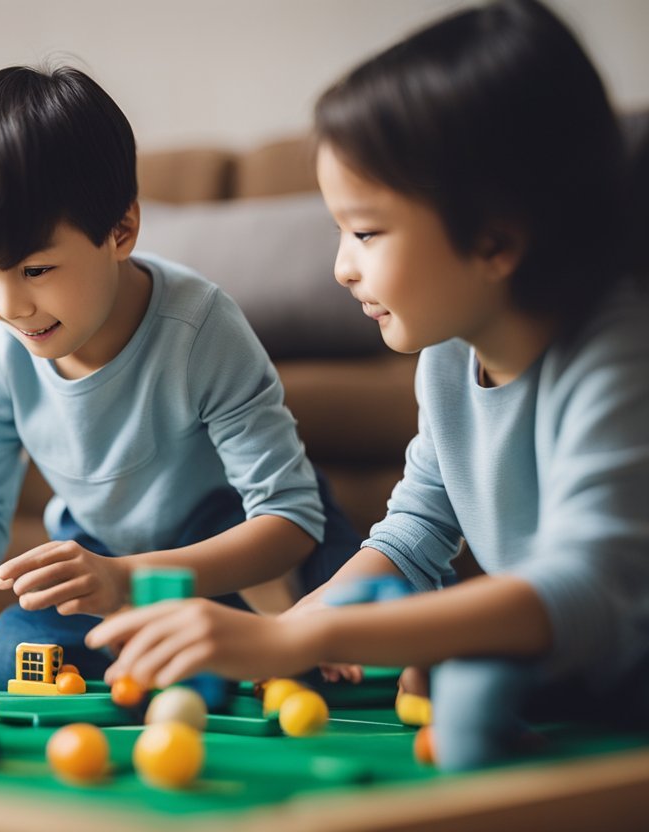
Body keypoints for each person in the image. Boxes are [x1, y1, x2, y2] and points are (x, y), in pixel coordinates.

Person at [87, 0, 649, 772]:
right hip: (564, 663)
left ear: (495, 236)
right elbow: (415, 534)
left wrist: (307, 632)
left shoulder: (616, 355)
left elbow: (585, 588)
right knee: (447, 668)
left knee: (468, 688)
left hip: (623, 667)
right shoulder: (451, 356)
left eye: (367, 231)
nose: (341, 267)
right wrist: (303, 631)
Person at [0, 65, 360, 689]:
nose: (8, 307)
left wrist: (130, 582)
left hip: (234, 536)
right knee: (12, 660)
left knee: (353, 625)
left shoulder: (200, 328)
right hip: (103, 550)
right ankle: (187, 650)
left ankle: (231, 644)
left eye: (34, 271)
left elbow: (288, 520)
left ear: (121, 231)